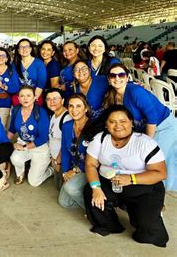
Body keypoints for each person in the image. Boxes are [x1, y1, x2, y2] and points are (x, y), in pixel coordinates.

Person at [84, 105, 169, 247]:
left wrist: (131, 179)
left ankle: (153, 213)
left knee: (148, 231)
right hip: (110, 183)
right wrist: (96, 188)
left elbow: (161, 173)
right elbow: (90, 164)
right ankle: (110, 225)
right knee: (90, 193)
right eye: (112, 122)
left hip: (142, 186)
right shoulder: (100, 139)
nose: (118, 126)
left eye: (123, 121)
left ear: (131, 122)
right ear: (106, 124)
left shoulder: (145, 143)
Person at [104, 63, 177, 191]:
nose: (117, 78)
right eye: (113, 75)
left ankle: (158, 196)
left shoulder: (135, 91)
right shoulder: (113, 96)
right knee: (164, 161)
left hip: (163, 125)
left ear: (127, 77)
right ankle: (163, 193)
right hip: (148, 127)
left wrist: (148, 142)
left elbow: (152, 116)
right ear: (109, 79)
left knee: (155, 162)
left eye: (121, 75)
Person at [9, 86, 53, 186]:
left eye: (28, 95)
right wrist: (7, 143)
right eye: (22, 96)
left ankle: (51, 170)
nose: (25, 98)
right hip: (23, 142)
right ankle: (20, 174)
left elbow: (43, 138)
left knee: (34, 182)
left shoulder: (41, 112)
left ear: (34, 98)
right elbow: (12, 129)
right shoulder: (16, 110)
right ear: (18, 99)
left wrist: (24, 148)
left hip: (39, 147)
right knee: (15, 158)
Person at [58, 94, 91, 209]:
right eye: (71, 106)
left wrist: (76, 171)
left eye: (78, 106)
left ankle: (95, 212)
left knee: (70, 188)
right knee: (64, 202)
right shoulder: (67, 126)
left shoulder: (94, 127)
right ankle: (87, 196)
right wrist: (65, 172)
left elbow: (95, 159)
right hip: (73, 167)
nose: (74, 110)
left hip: (89, 169)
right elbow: (65, 151)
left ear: (85, 108)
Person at [44, 88, 72, 190]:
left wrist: (58, 161)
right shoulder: (53, 115)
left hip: (62, 161)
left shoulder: (67, 117)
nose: (52, 102)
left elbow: (67, 144)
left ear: (63, 100)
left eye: (55, 99)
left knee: (62, 190)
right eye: (49, 99)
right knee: (57, 186)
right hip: (54, 159)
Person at [12, 38, 46, 104]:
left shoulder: (39, 63)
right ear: (18, 50)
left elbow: (40, 85)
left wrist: (32, 100)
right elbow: (15, 84)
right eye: (21, 47)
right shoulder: (15, 64)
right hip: (19, 97)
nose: (24, 49)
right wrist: (22, 99)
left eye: (27, 47)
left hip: (36, 97)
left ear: (31, 49)